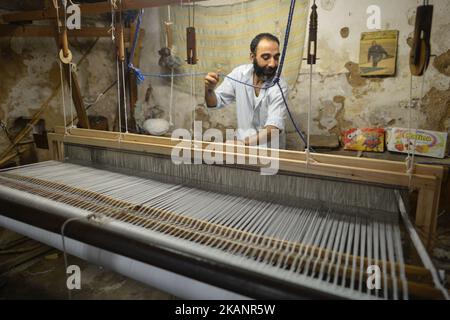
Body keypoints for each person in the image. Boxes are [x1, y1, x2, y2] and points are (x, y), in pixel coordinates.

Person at [204, 33, 288, 148]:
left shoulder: (279, 86)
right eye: (266, 57)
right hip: (242, 149)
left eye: (276, 57)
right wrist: (209, 89)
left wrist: (243, 143)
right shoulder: (239, 74)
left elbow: (274, 128)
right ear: (252, 57)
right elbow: (213, 103)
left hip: (269, 153)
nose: (273, 64)